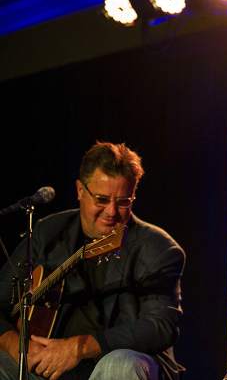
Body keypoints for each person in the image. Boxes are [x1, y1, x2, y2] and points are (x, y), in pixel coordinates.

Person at [0, 142, 186, 380]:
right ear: (80, 190)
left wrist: (80, 347)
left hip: (116, 362)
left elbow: (161, 326)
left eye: (123, 202)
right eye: (101, 199)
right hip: (50, 367)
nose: (111, 212)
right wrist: (18, 346)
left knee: (120, 364)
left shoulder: (158, 249)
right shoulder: (49, 233)